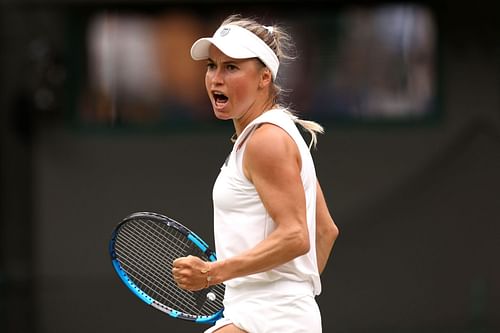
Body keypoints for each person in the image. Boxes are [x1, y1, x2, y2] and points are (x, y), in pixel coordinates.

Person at [172, 14, 339, 333]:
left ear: (265, 77)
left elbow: (296, 235)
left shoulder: (266, 141)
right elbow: (325, 230)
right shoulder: (278, 134)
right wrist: (289, 295)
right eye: (212, 65)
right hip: (279, 318)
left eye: (231, 67)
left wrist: (212, 273)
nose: (215, 79)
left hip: (267, 320)